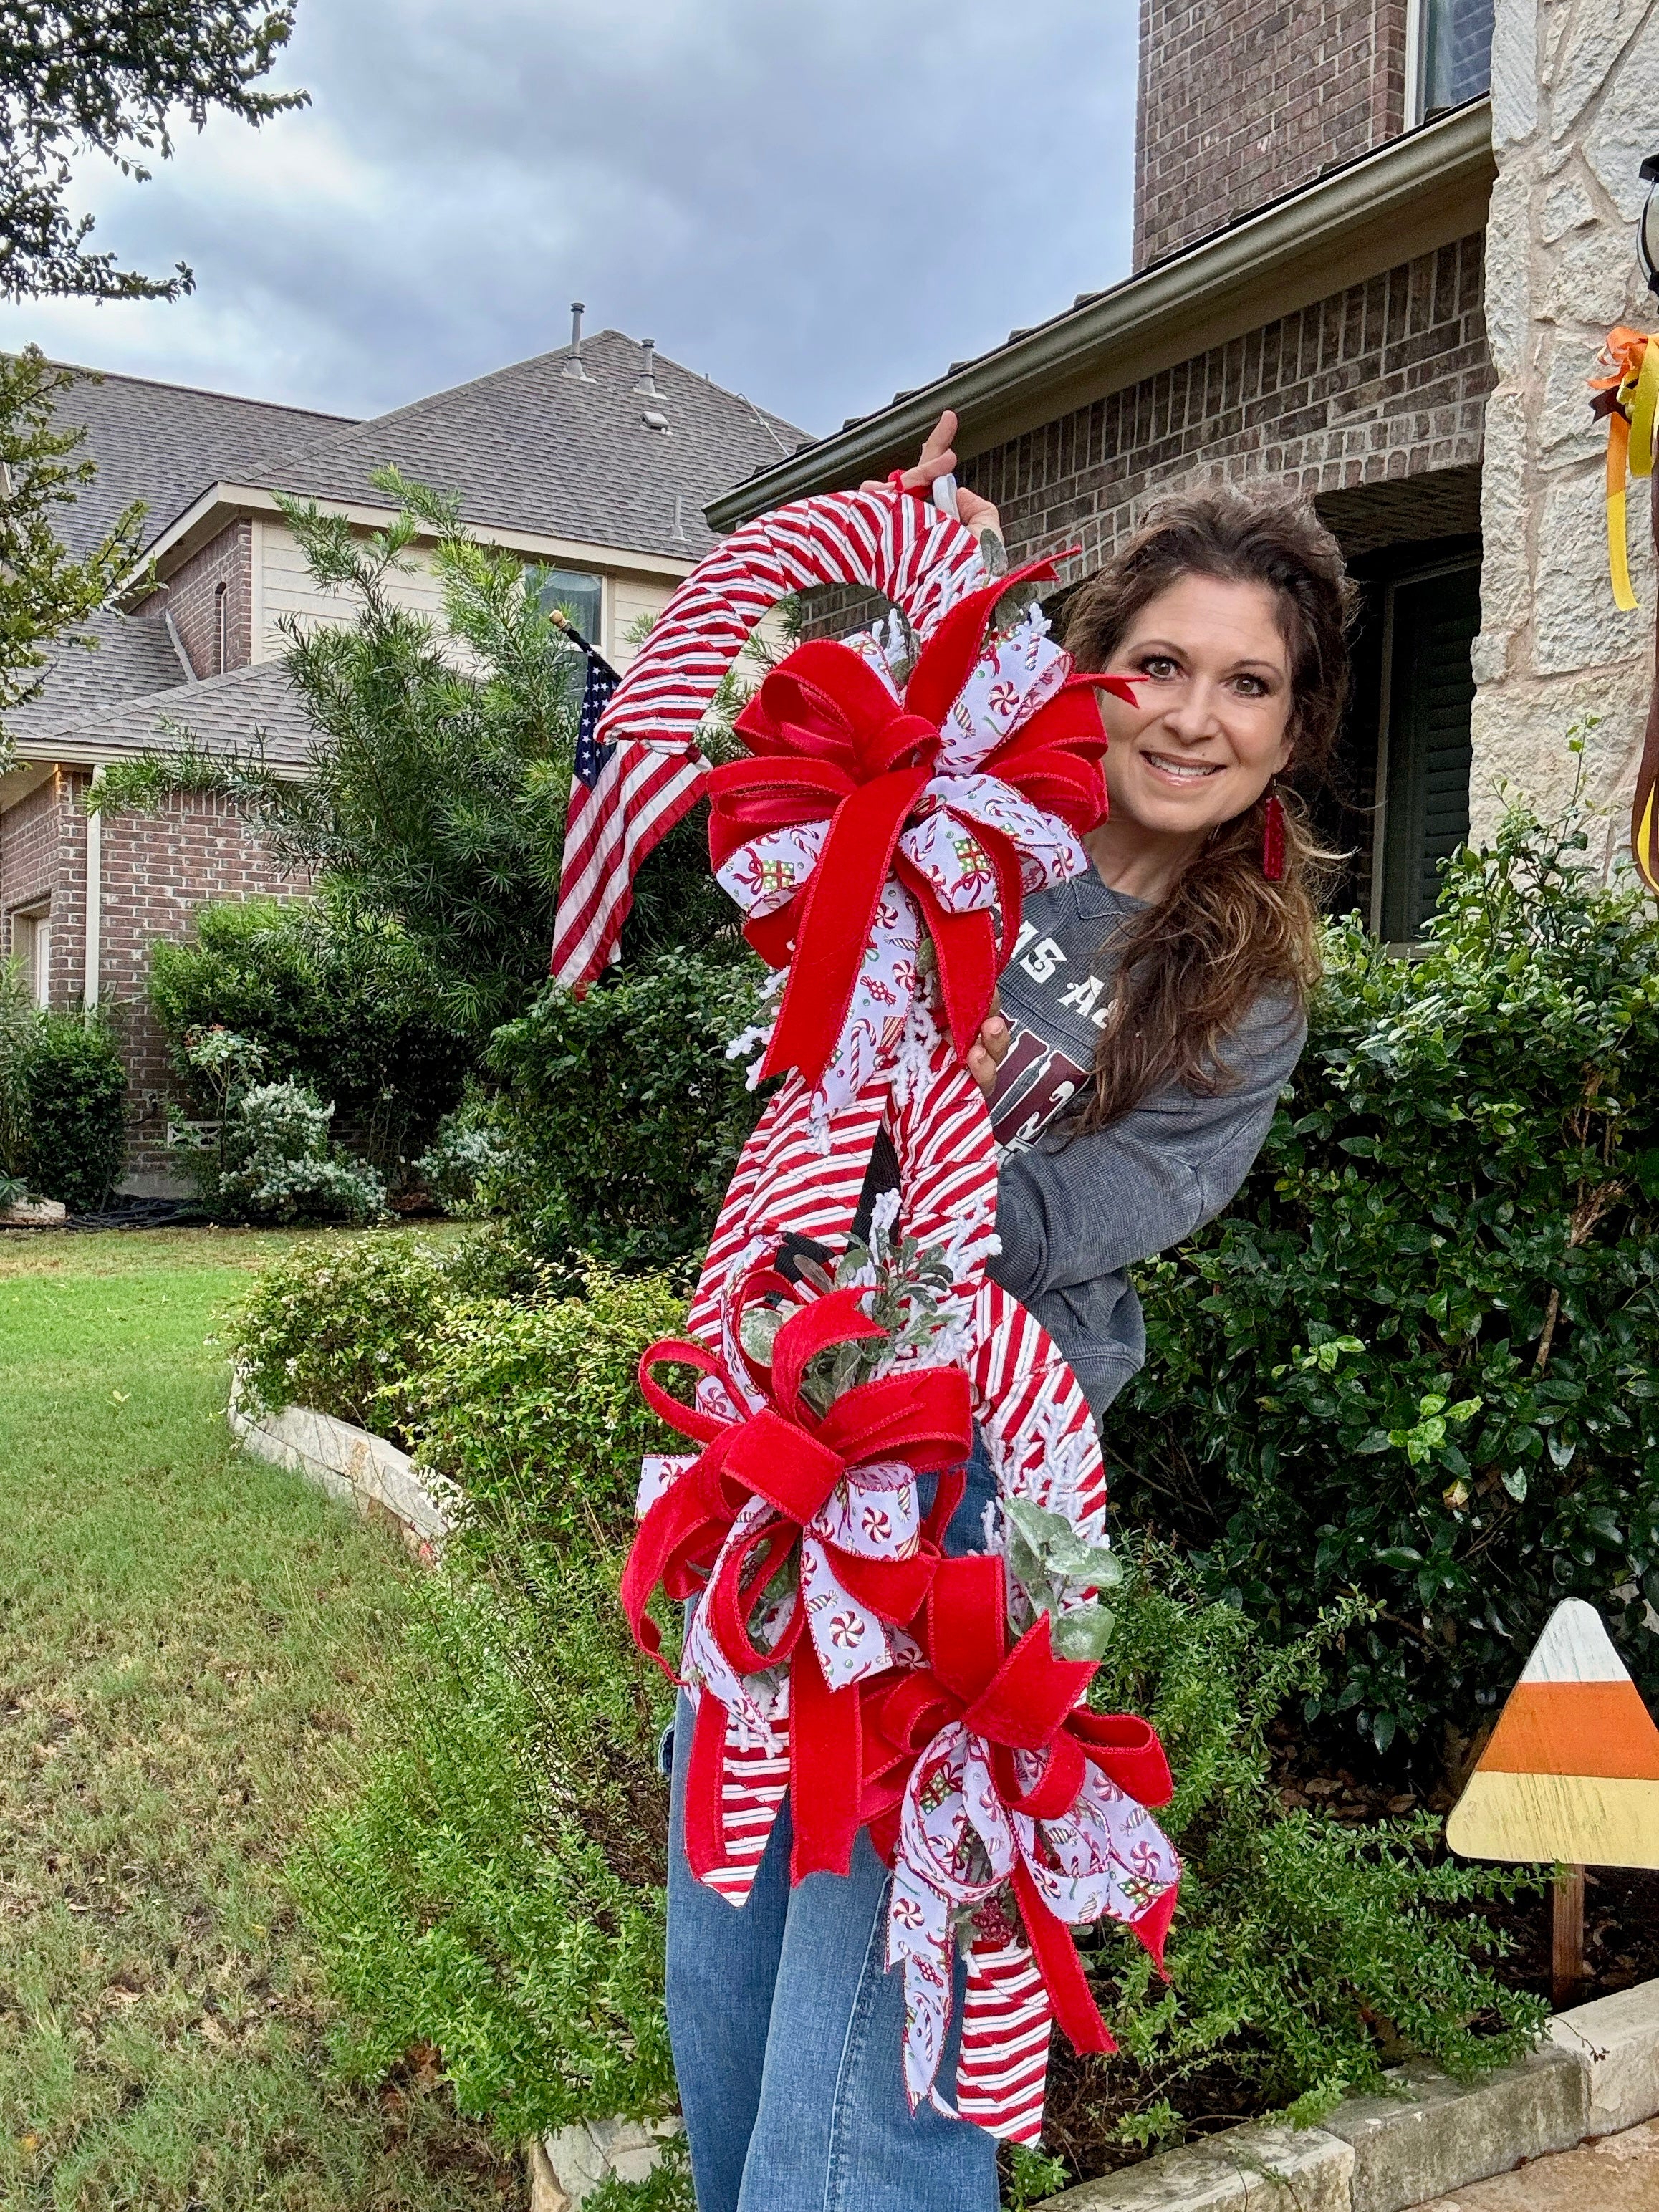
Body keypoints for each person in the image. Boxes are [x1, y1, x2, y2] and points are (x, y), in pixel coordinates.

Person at [664, 415, 1353, 2212]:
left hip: (989, 1478)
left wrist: (924, 1149)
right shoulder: (982, 819)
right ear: (1095, 666)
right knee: (733, 1913)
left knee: (891, 1981)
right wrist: (923, 590)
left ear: (1297, 725)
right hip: (795, 1436)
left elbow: (1093, 1206)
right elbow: (803, 844)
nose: (1192, 716)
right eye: (1160, 663)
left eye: (1249, 684)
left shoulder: (1248, 989)